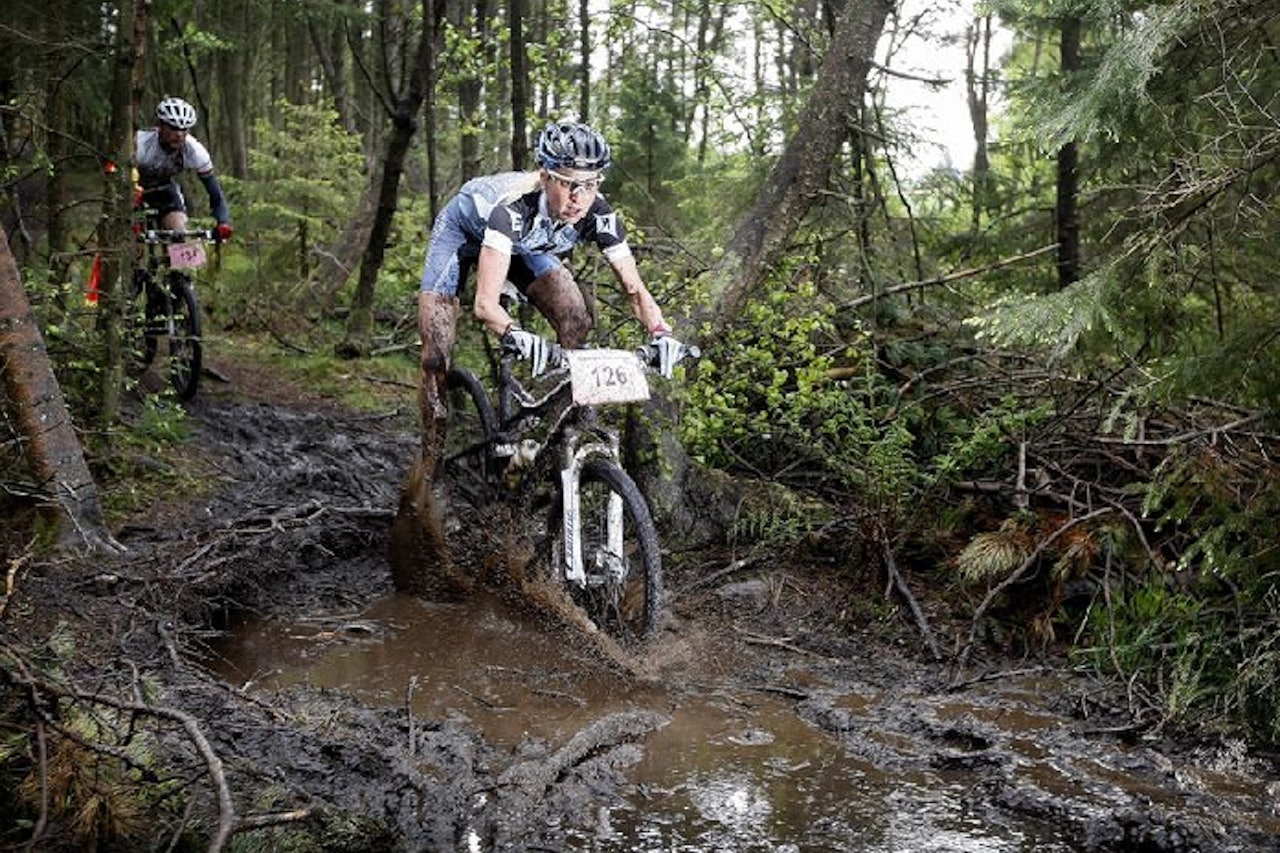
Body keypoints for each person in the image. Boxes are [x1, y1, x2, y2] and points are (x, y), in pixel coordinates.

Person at [393, 120, 688, 589]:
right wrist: (515, 333)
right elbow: (485, 305)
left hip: (527, 246)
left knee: (576, 318)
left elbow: (634, 289)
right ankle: (425, 478)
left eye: (589, 185)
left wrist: (661, 331)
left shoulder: (598, 214)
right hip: (464, 236)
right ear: (545, 175)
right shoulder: (511, 209)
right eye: (568, 184)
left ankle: (545, 436)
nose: (578, 198)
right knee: (435, 358)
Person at [134, 97, 233, 240]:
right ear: (160, 125)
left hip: (164, 191)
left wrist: (223, 222)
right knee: (132, 238)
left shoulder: (195, 151)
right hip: (132, 191)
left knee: (181, 233)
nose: (179, 134)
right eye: (173, 128)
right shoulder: (140, 143)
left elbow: (215, 194)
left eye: (184, 129)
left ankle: (181, 253)